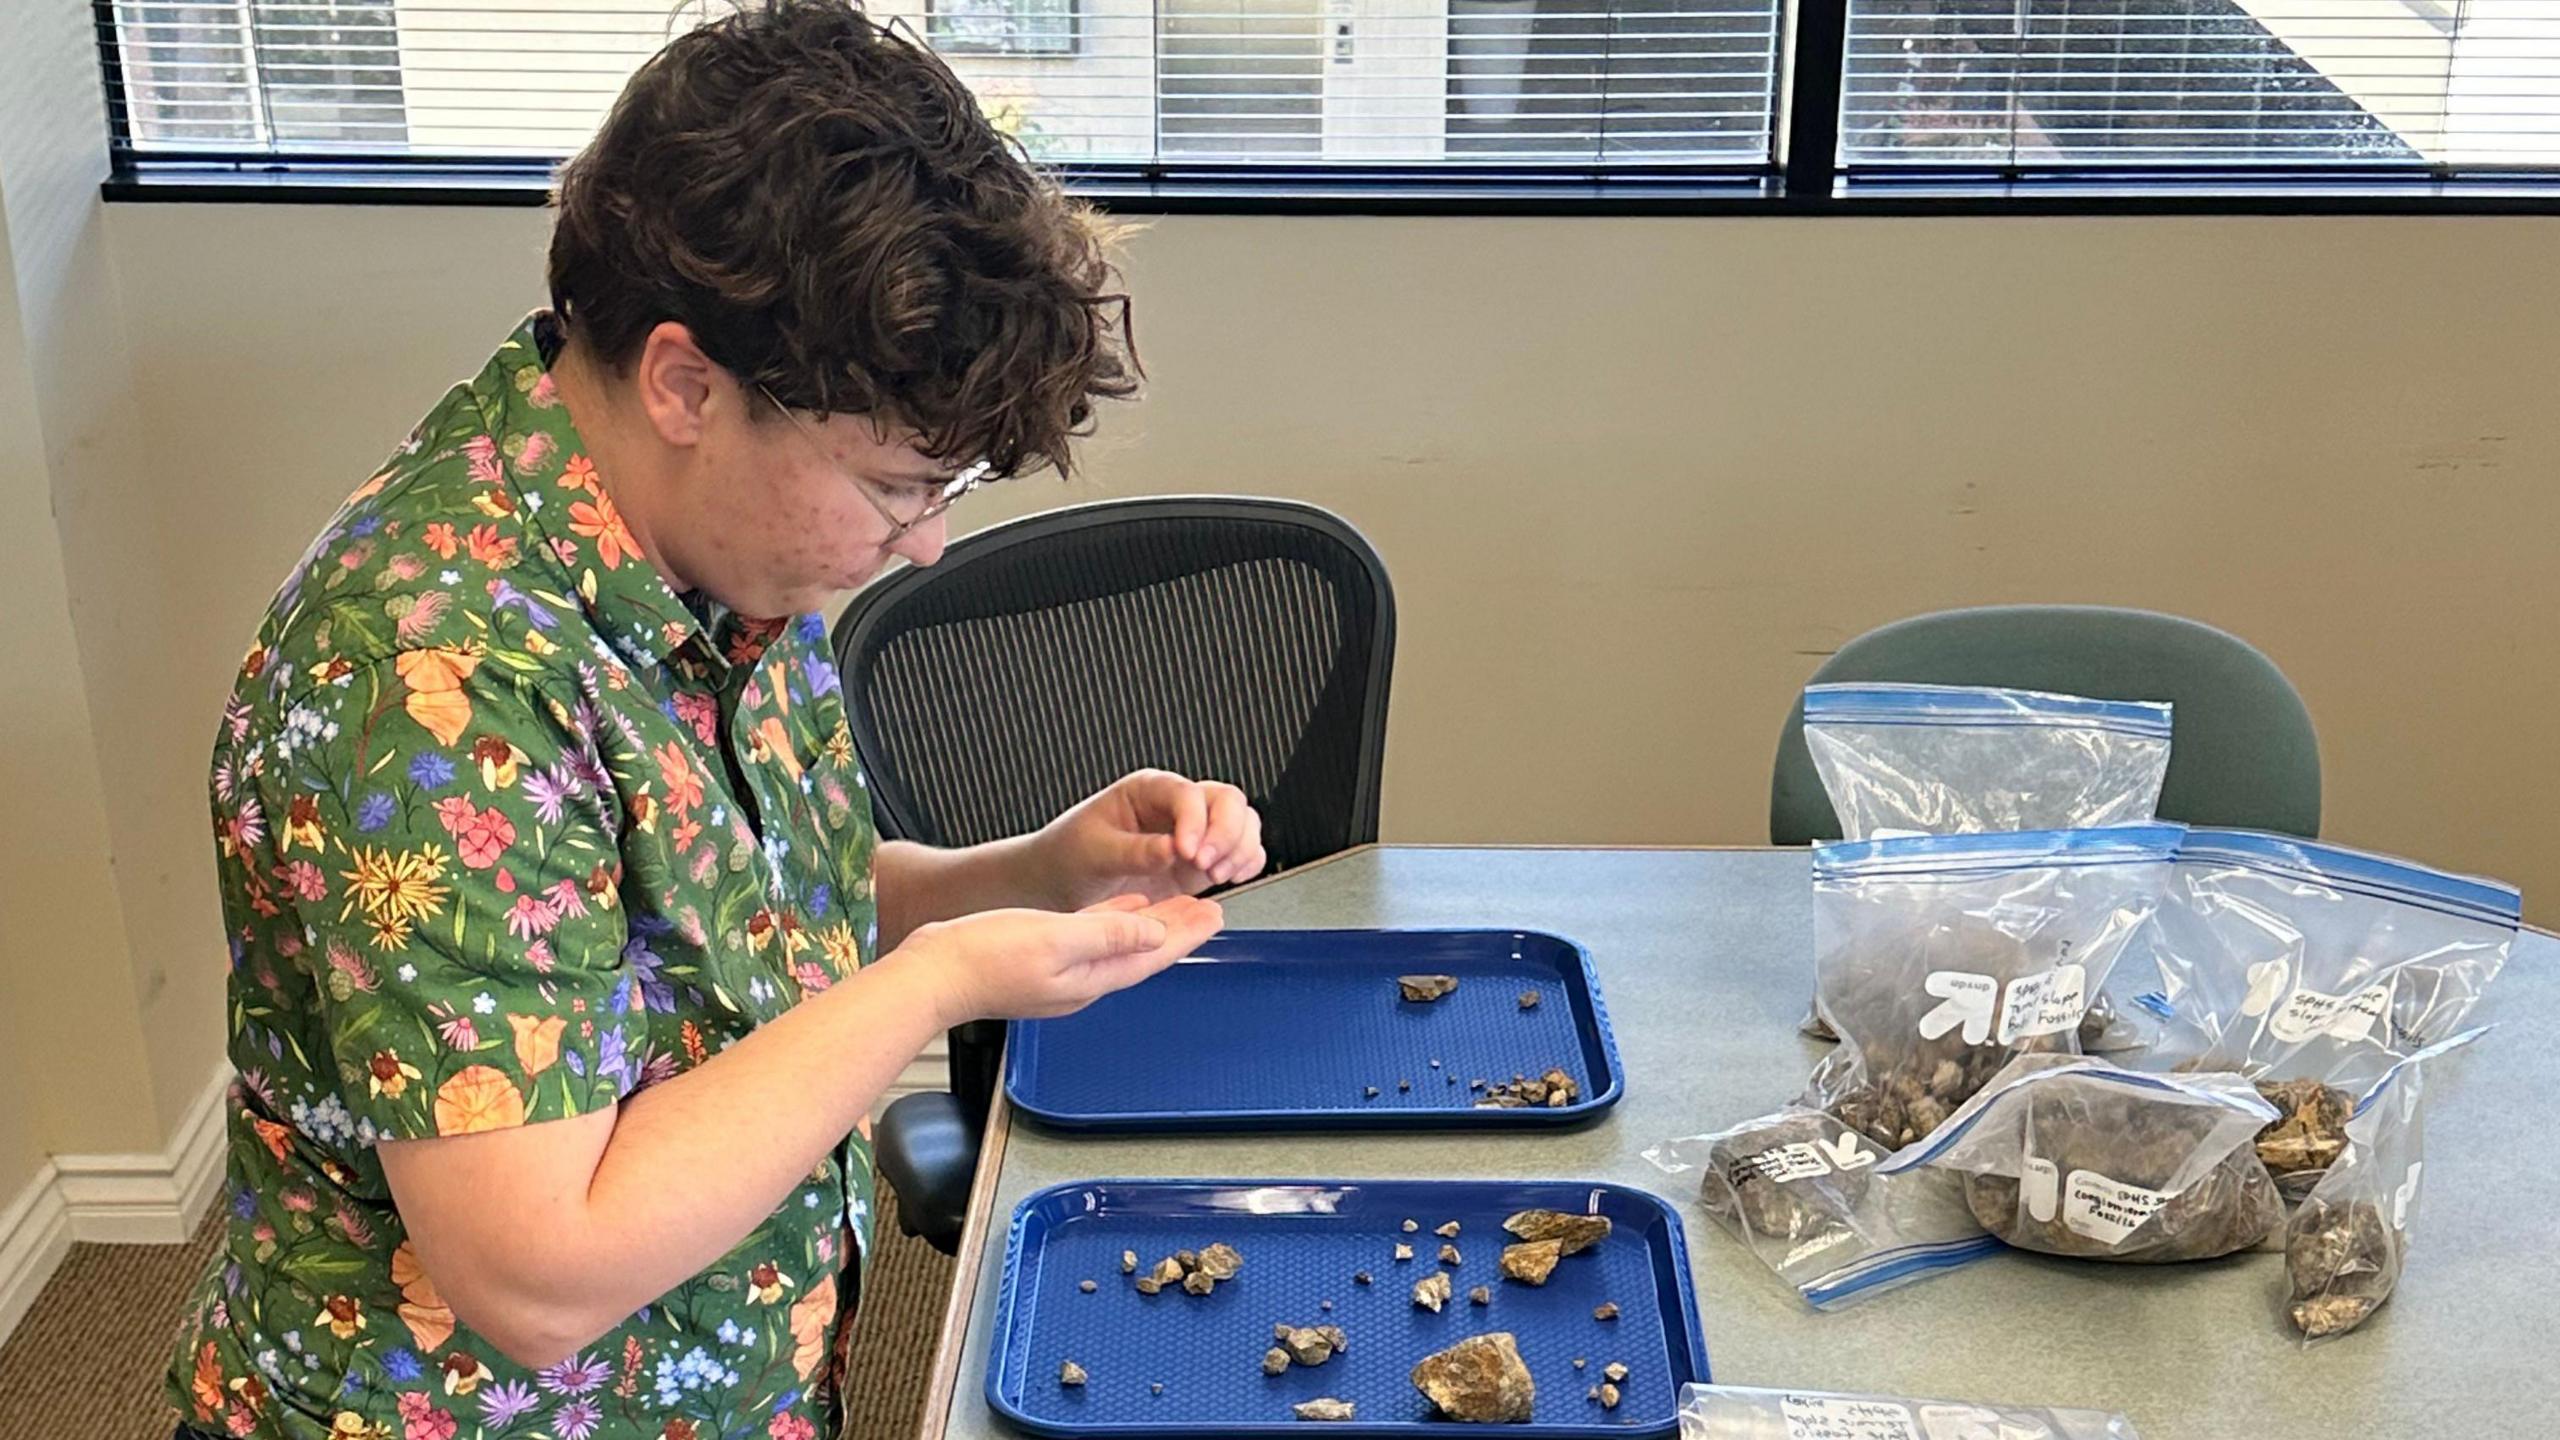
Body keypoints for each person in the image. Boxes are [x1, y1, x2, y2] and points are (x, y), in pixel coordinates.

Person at [166, 6, 1259, 1437]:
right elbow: (536, 1270)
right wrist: (938, 986)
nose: (924, 545)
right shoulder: (424, 683)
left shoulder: (711, 553)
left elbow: (737, 929)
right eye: (890, 486)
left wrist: (1029, 875)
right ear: (688, 383)